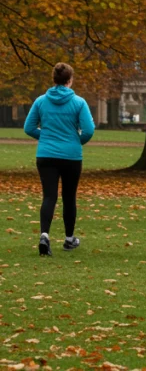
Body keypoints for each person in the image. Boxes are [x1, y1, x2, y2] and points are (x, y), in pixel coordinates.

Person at [24, 63, 95, 256]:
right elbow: (88, 130)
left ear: (53, 79)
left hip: (46, 154)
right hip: (71, 155)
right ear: (70, 80)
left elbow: (29, 127)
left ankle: (45, 235)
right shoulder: (79, 102)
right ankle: (69, 238)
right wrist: (75, 141)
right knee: (69, 197)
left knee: (49, 196)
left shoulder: (40, 101)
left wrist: (46, 138)